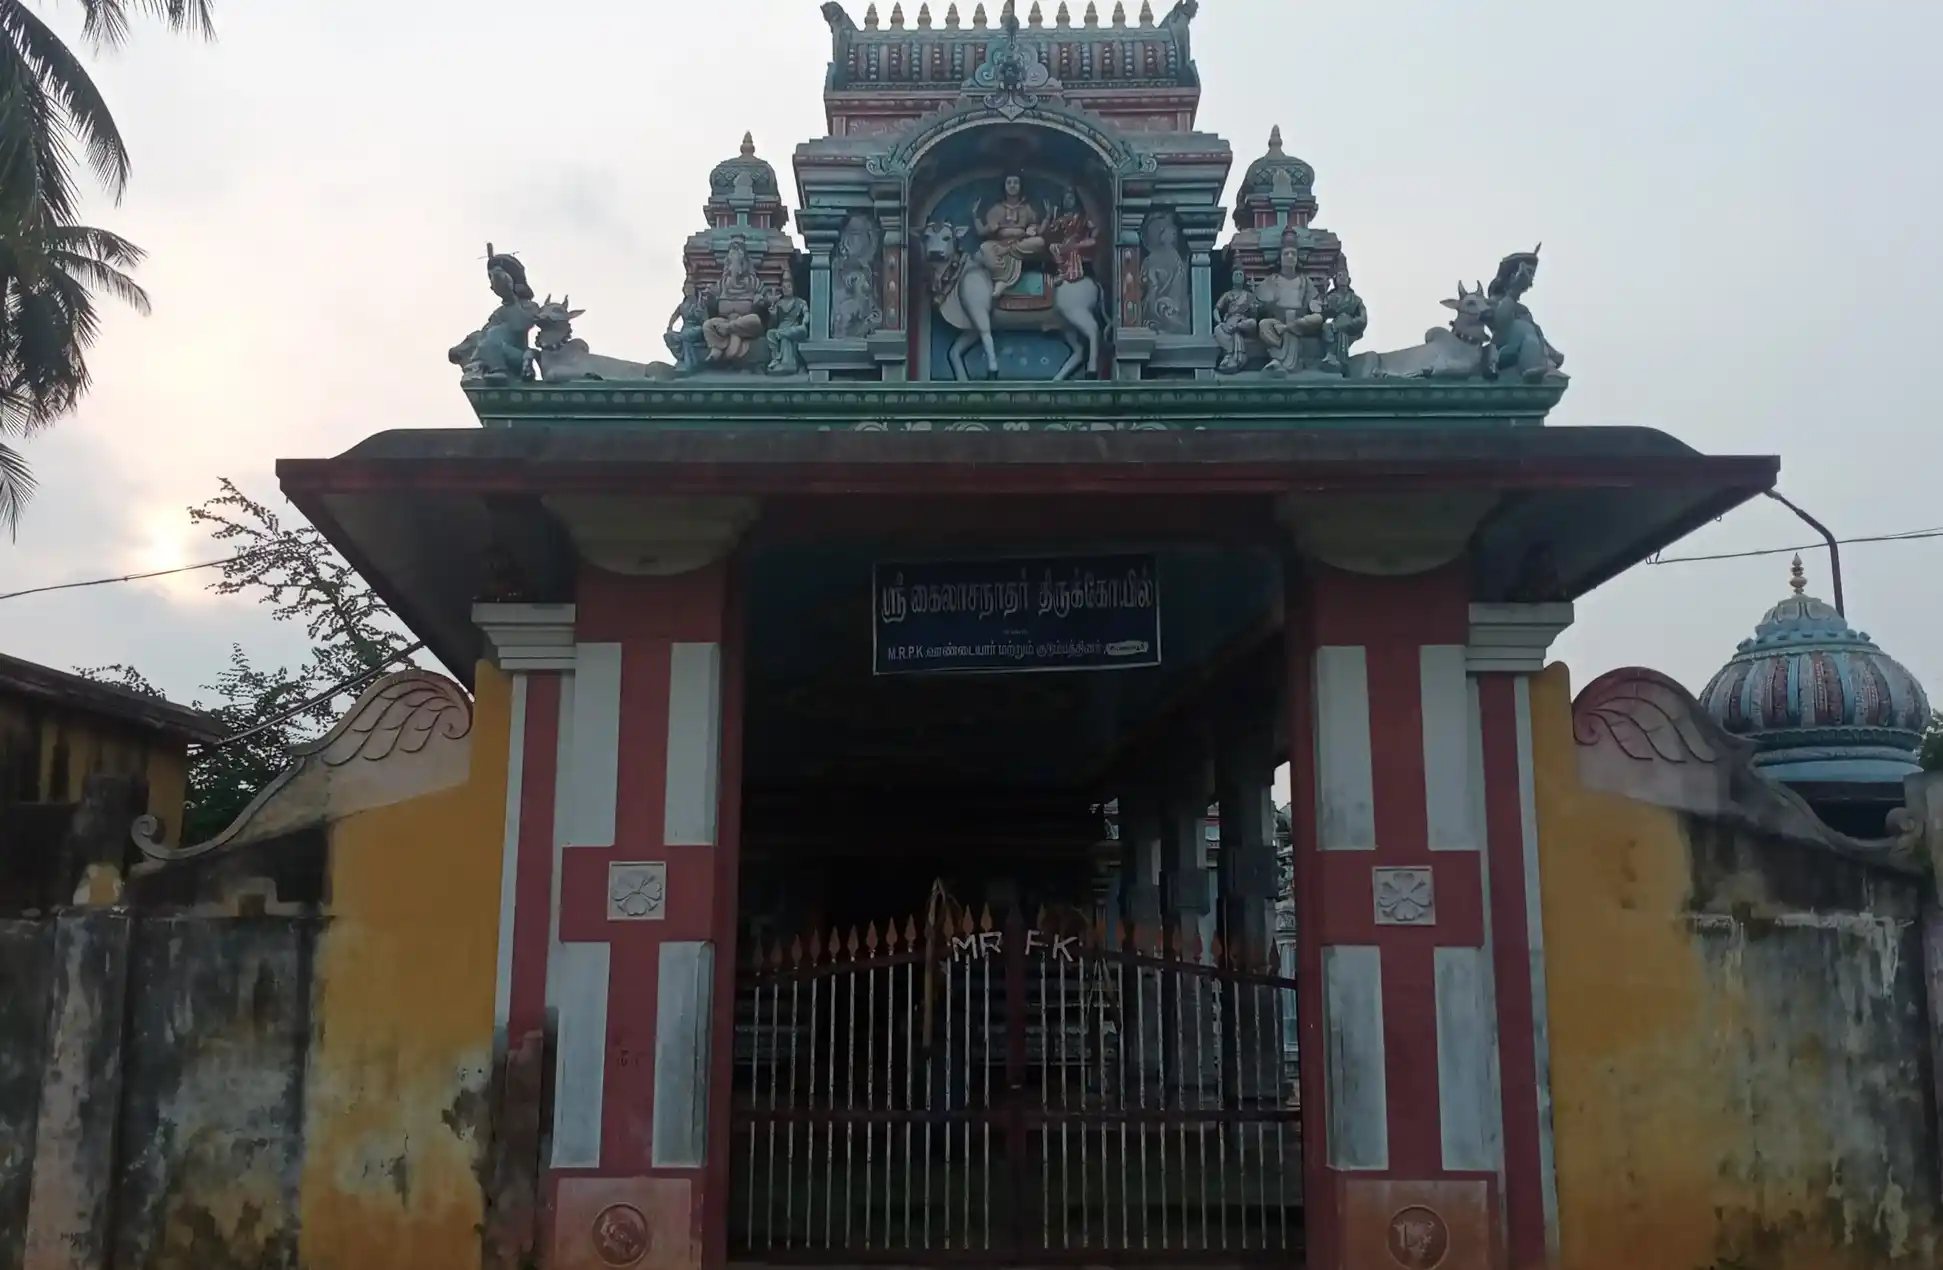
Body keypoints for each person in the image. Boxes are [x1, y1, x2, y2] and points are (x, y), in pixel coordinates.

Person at [972, 172, 1047, 299]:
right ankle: (1001, 280)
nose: (1012, 186)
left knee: (1039, 242)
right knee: (985, 247)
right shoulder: (996, 209)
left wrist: (1039, 224)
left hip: (1020, 244)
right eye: (1009, 182)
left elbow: (1037, 230)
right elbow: (982, 232)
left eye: (1016, 182)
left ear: (1021, 186)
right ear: (1004, 186)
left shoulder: (1027, 208)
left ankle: (1006, 261)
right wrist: (975, 216)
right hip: (1000, 244)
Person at [1043, 186, 1097, 285]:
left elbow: (1093, 228)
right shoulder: (1060, 217)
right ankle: (1061, 271)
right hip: (1064, 242)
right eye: (1066, 199)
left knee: (1072, 248)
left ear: (1075, 199)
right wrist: (1049, 215)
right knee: (1053, 247)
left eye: (1071, 198)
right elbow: (1051, 230)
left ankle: (1070, 273)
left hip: (1077, 241)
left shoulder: (1082, 216)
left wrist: (1090, 238)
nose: (1068, 201)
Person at [1212, 266, 1260, 373]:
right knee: (1217, 330)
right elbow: (1216, 310)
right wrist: (1220, 322)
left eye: (1240, 275)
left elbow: (1254, 314)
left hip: (1243, 322)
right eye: (1236, 275)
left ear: (1244, 278)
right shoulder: (1228, 295)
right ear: (1232, 278)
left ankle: (1236, 330)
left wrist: (1254, 299)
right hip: (1229, 322)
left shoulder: (1248, 295)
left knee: (1252, 323)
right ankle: (1231, 353)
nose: (1238, 277)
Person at [765, 273, 809, 374]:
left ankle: (788, 363)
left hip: (794, 328)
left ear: (793, 287)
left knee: (785, 335)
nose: (786, 289)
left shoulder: (800, 302)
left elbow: (806, 313)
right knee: (770, 333)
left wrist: (805, 320)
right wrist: (773, 314)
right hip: (781, 328)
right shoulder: (779, 303)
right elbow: (773, 323)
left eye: (789, 286)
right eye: (784, 287)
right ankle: (776, 358)